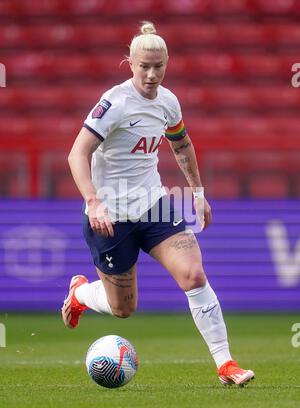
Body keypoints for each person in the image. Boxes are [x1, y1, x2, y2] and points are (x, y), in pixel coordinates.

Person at [62, 22, 255, 386]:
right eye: (144, 66)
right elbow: (77, 153)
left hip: (155, 206)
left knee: (194, 275)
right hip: (111, 216)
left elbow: (181, 144)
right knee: (123, 309)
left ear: (167, 64)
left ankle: (226, 364)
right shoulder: (114, 103)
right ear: (129, 63)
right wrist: (94, 201)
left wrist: (197, 193)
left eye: (159, 67)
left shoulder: (168, 101)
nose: (151, 75)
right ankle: (80, 293)